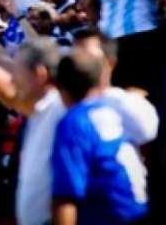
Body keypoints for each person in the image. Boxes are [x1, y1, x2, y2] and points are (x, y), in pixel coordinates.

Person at [51, 49, 148, 225]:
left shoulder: (74, 123)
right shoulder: (114, 109)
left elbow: (66, 198)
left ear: (60, 89)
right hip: (138, 211)